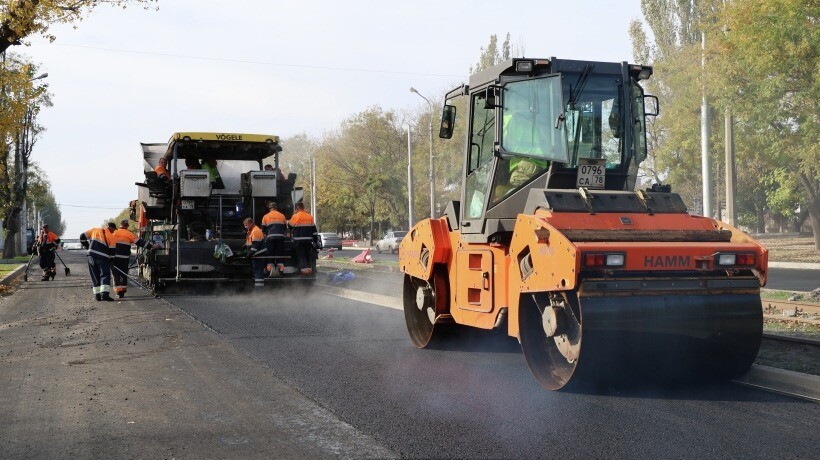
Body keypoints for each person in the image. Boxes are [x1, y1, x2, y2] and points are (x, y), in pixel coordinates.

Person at [111, 219, 160, 298]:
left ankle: (118, 292)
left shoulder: (114, 233)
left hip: (114, 258)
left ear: (120, 225)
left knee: (116, 275)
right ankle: (122, 292)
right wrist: (151, 246)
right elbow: (140, 242)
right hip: (124, 258)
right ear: (127, 226)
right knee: (123, 274)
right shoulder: (129, 234)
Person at [79, 222, 117, 301]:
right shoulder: (112, 237)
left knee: (94, 275)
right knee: (105, 275)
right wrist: (112, 262)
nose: (114, 232)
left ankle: (97, 295)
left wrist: (87, 246)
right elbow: (112, 253)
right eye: (113, 230)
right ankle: (105, 294)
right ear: (111, 228)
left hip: (91, 256)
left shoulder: (94, 230)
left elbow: (82, 236)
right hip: (103, 258)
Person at [289, 201, 317, 275]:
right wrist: (315, 240)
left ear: (297, 208)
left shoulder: (295, 216)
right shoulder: (309, 216)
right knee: (308, 255)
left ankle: (304, 272)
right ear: (303, 207)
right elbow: (314, 230)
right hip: (308, 240)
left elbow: (290, 226)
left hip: (299, 240)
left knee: (301, 255)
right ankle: (310, 270)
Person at [261, 201, 287, 276]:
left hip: (270, 238)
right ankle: (281, 272)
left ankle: (270, 272)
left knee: (270, 254)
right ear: (276, 208)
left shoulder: (265, 216)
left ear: (270, 208)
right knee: (280, 254)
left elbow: (263, 230)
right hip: (280, 238)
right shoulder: (282, 216)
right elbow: (285, 228)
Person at [242, 218, 267, 288]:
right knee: (257, 271)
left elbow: (254, 247)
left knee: (258, 271)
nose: (245, 227)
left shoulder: (255, 231)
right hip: (256, 254)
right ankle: (259, 289)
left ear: (251, 223)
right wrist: (245, 246)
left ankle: (259, 290)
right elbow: (250, 242)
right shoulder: (252, 230)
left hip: (259, 254)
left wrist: (248, 255)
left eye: (246, 225)